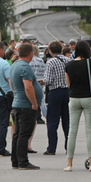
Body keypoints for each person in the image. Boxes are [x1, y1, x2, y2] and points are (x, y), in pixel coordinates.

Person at [64, 39, 91, 171]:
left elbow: (68, 85)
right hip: (88, 98)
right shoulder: (90, 62)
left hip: (74, 98)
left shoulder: (68, 65)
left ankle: (69, 164)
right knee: (89, 132)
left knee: (72, 132)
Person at [9, 42, 42, 170]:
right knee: (24, 133)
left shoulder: (15, 65)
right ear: (30, 53)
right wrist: (34, 103)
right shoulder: (25, 67)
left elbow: (12, 84)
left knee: (18, 133)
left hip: (17, 102)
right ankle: (23, 161)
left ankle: (15, 161)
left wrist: (17, 94)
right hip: (25, 105)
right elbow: (28, 87)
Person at [43, 41, 69, 156]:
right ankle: (69, 146)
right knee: (67, 121)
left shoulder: (51, 62)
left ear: (50, 51)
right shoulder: (69, 60)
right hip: (67, 91)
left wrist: (42, 81)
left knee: (52, 121)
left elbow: (48, 80)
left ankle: (51, 147)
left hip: (55, 92)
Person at [28, 46, 47, 124]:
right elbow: (44, 70)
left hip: (31, 81)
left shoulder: (29, 61)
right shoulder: (40, 60)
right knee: (41, 100)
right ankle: (42, 115)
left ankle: (33, 116)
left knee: (31, 99)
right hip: (40, 80)